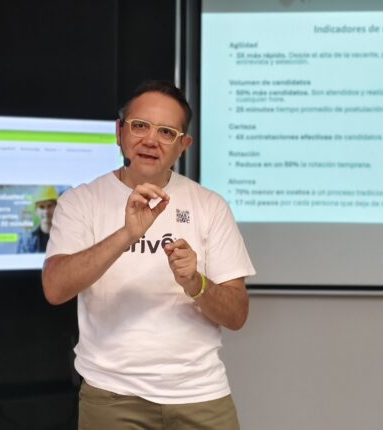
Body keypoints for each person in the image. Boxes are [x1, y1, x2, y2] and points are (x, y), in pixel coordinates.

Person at [42, 80, 255, 430]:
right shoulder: (81, 201)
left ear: (183, 145)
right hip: (112, 395)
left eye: (166, 132)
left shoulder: (210, 206)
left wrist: (196, 283)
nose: (150, 140)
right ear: (119, 132)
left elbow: (237, 315)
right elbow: (55, 288)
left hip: (200, 394)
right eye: (140, 126)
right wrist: (126, 234)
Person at [17, 186, 59, 253]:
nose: (46, 211)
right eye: (41, 207)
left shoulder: (66, 236)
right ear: (36, 210)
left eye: (50, 205)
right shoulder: (27, 242)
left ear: (56, 207)